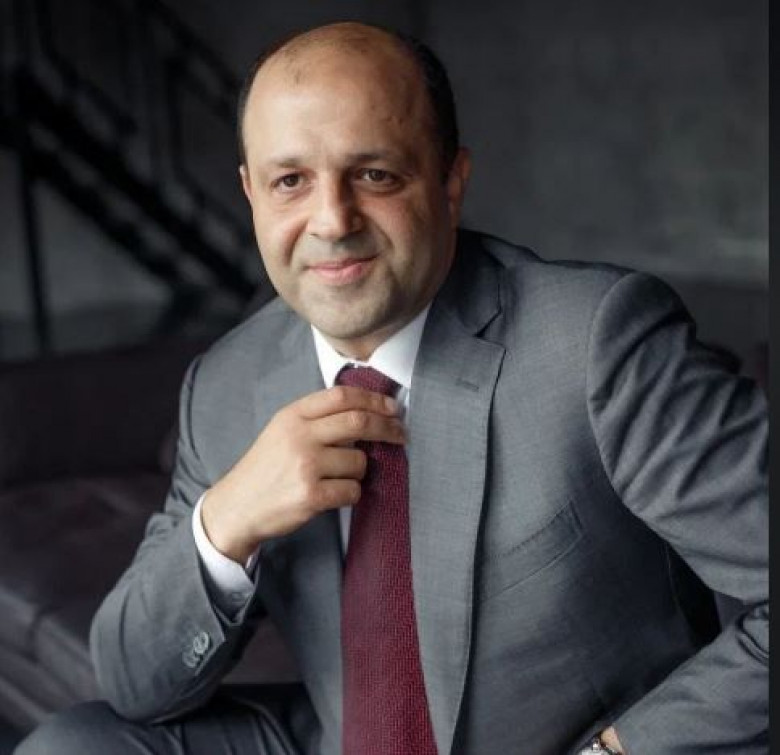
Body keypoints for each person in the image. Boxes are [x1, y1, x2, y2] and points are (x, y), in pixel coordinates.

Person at [16, 21, 767, 755]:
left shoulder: (594, 342)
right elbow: (135, 683)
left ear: (451, 181)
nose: (332, 220)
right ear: (250, 193)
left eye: (375, 175)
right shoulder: (226, 383)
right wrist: (229, 520)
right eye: (290, 181)